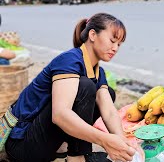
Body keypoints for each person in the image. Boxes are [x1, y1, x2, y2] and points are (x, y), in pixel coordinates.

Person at [5, 13, 138, 162]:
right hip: (22, 144)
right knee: (86, 87)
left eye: (119, 44)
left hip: (46, 141)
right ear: (93, 35)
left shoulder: (98, 71)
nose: (115, 48)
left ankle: (65, 148)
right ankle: (77, 157)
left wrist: (124, 143)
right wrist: (105, 140)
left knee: (107, 94)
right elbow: (60, 115)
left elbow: (109, 112)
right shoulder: (69, 61)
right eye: (112, 41)